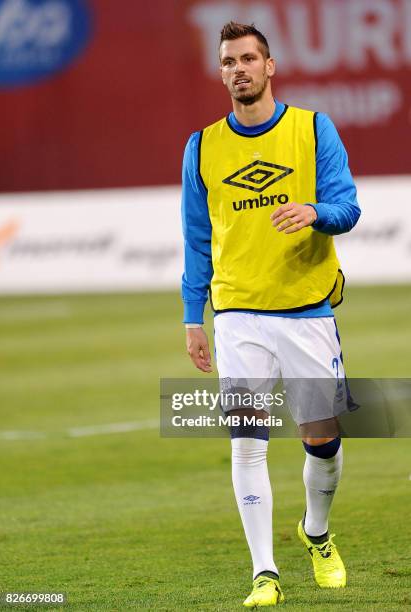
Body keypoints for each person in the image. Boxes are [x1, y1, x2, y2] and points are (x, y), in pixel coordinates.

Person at [181, 21, 360, 607]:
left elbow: (348, 206)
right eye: (229, 60)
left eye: (249, 58)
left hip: (306, 310)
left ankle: (317, 532)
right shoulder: (202, 146)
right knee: (246, 442)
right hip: (236, 314)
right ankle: (265, 572)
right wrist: (193, 314)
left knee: (324, 443)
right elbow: (197, 237)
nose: (239, 68)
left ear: (270, 66)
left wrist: (314, 212)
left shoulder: (312, 128)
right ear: (222, 70)